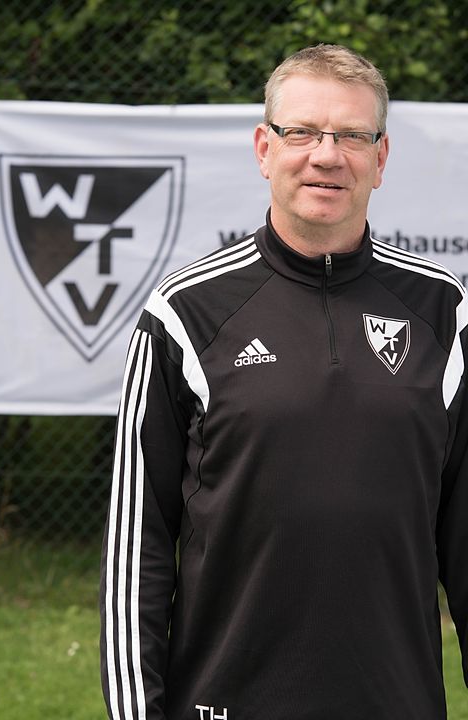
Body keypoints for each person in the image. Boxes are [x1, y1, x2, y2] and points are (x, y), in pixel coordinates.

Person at [100, 43, 468, 720]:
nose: (327, 156)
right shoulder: (184, 313)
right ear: (264, 148)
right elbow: (136, 545)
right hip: (225, 704)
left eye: (352, 135)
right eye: (302, 132)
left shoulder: (444, 311)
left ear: (381, 158)